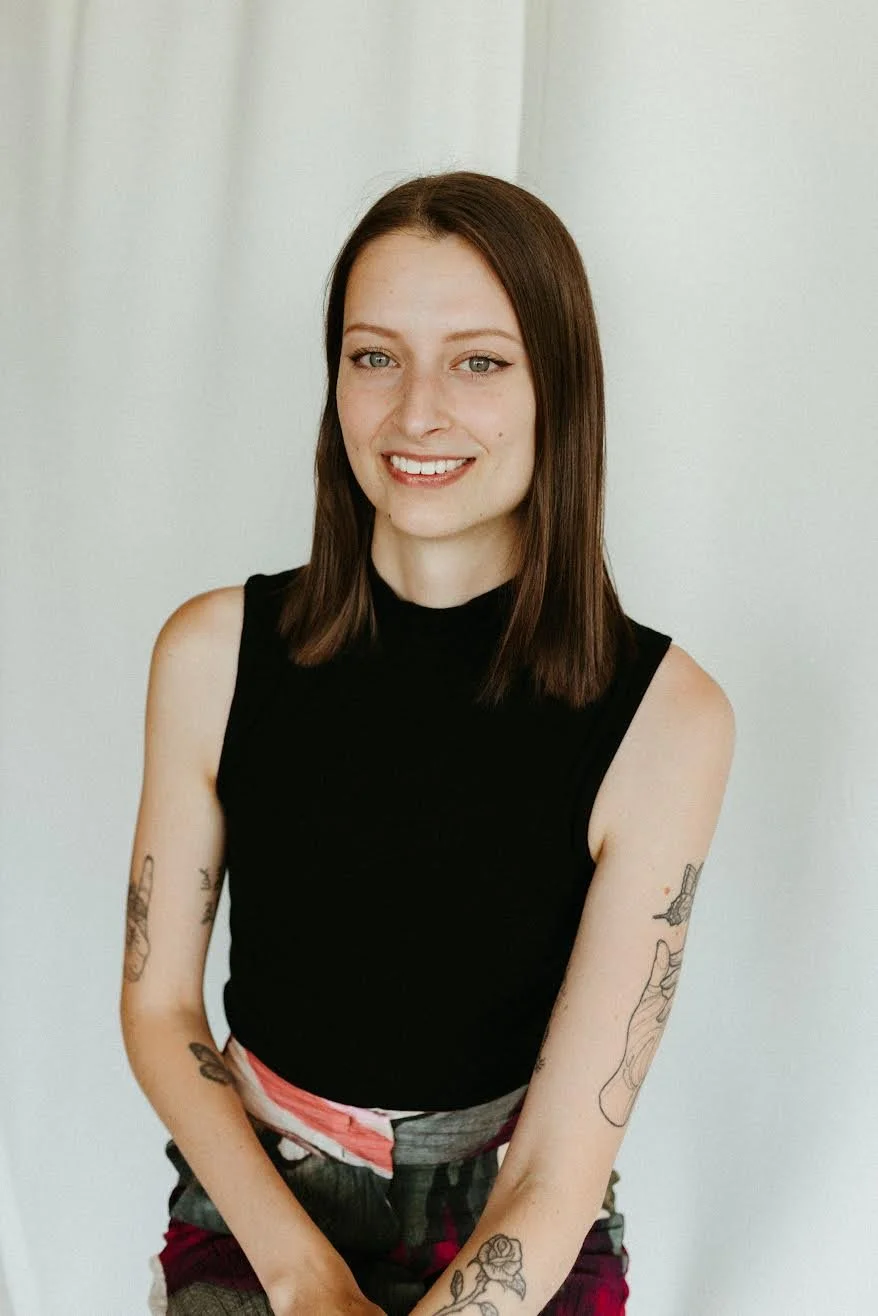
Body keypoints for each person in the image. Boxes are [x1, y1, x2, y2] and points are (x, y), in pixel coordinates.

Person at [120, 170, 736, 1316]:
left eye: (478, 360)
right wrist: (306, 1280)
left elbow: (562, 1149)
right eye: (373, 356)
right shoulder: (211, 653)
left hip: (519, 1214)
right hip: (260, 1197)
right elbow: (159, 1010)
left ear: (557, 384)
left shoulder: (668, 716)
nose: (415, 413)